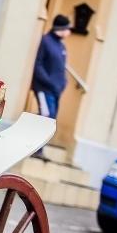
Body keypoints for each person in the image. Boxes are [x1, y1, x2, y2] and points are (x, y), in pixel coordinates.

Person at [30, 14, 71, 159]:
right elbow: (39, 65)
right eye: (67, 28)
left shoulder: (61, 46)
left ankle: (38, 147)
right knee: (46, 116)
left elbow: (61, 68)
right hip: (44, 88)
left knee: (50, 118)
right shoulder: (46, 41)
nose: (69, 32)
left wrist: (63, 83)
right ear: (61, 28)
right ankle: (35, 149)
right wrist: (49, 82)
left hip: (55, 90)